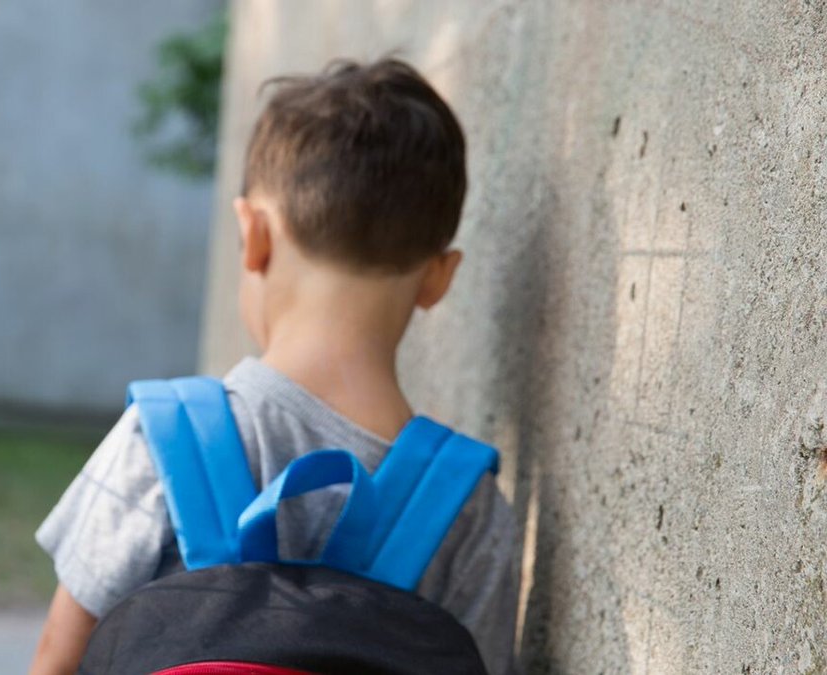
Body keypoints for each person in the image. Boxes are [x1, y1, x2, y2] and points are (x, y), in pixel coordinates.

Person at [29, 58, 521, 675]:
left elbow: (58, 658)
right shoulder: (469, 511)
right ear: (438, 279)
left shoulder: (162, 439)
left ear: (253, 234)